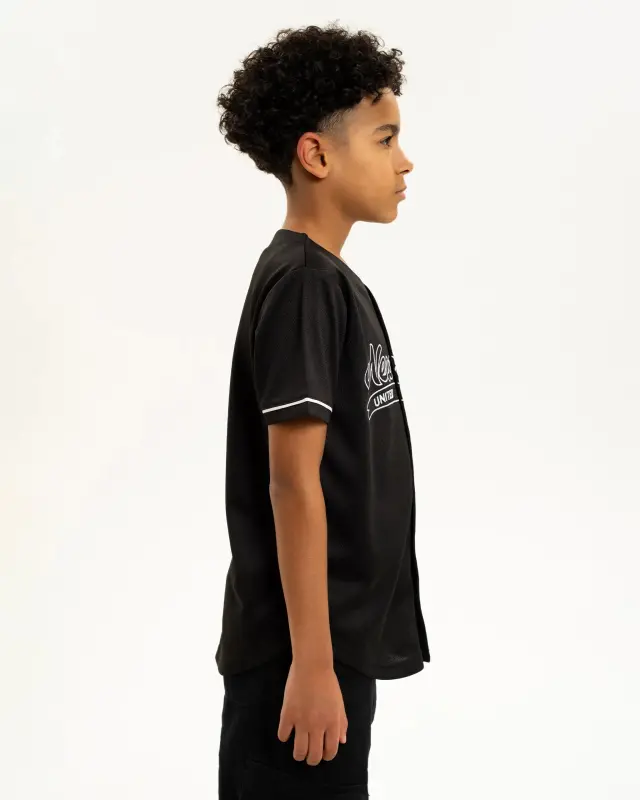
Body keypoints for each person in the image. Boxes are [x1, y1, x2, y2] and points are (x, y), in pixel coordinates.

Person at [214, 22, 431, 799]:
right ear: (317, 154)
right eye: (385, 138)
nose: (405, 161)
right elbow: (292, 483)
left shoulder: (329, 281)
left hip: (330, 646)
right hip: (298, 657)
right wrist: (310, 665)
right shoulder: (305, 285)